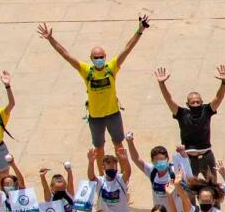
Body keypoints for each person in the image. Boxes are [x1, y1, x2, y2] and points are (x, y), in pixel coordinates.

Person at [37, 16, 148, 157]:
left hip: (113, 113)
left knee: (119, 145)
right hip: (95, 116)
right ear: (91, 58)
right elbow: (66, 54)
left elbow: (127, 48)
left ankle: (121, 173)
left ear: (105, 57)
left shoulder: (112, 67)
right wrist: (51, 40)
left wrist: (139, 31)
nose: (99, 60)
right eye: (96, 58)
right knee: (99, 148)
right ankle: (102, 176)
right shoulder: (86, 70)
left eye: (101, 57)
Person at [155, 65, 225, 178]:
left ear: (202, 102)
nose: (195, 104)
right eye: (192, 102)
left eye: (198, 102)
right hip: (188, 159)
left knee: (213, 189)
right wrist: (161, 84)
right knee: (189, 191)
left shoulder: (207, 110)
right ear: (187, 104)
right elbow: (169, 99)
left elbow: (219, 98)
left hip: (207, 156)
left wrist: (224, 82)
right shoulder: (182, 113)